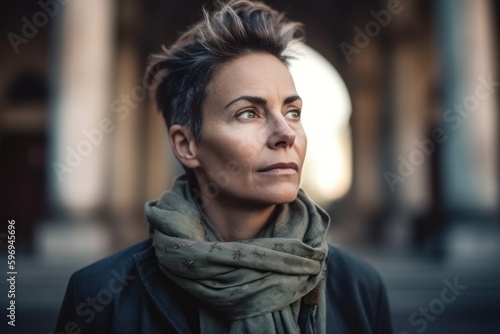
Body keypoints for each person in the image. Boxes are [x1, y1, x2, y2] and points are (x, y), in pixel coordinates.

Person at [55, 1, 393, 333]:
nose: (286, 134)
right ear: (187, 146)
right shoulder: (100, 297)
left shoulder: (360, 288)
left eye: (292, 112)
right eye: (248, 113)